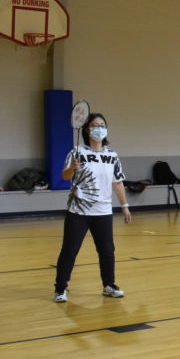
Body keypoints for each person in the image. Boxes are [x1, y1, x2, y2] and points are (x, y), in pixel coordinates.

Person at [53, 112, 131, 302]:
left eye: (103, 125)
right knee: (69, 251)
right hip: (78, 211)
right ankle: (60, 289)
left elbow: (118, 182)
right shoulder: (76, 152)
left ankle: (109, 285)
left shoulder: (111, 155)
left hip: (103, 211)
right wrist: (72, 168)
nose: (100, 128)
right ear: (87, 129)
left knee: (106, 251)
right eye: (96, 125)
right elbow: (64, 176)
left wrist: (125, 206)